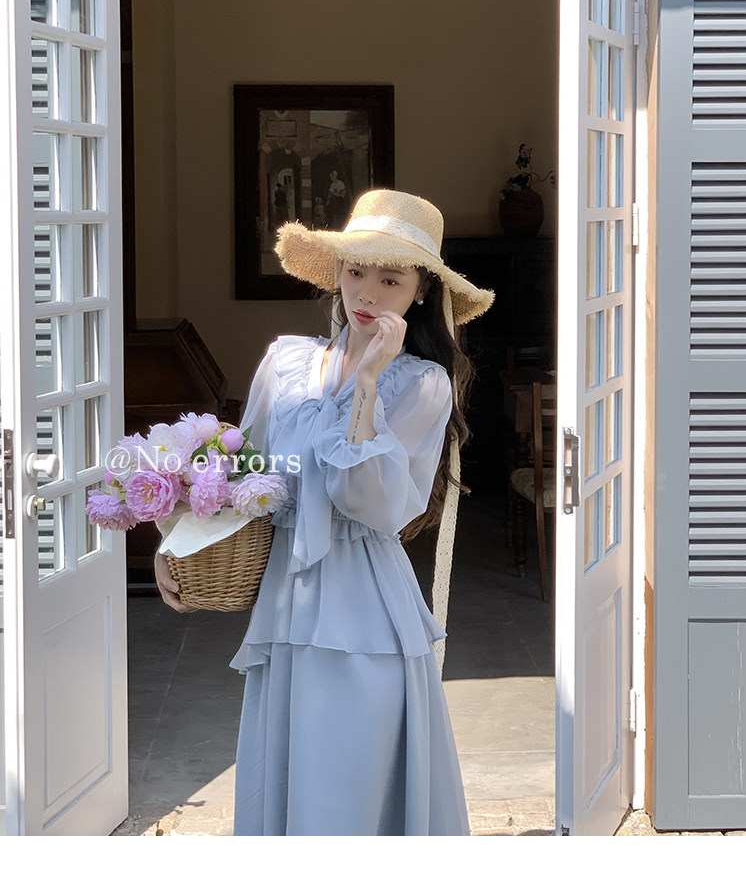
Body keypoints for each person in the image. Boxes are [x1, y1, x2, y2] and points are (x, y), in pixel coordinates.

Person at [155, 188, 494, 836]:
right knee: (288, 786)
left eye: (390, 279)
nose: (367, 293)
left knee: (348, 799)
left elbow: (366, 501)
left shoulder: (422, 384)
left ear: (421, 291)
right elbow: (240, 479)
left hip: (363, 611)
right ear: (337, 270)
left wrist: (368, 383)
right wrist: (174, 544)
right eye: (356, 271)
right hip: (285, 606)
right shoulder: (285, 362)